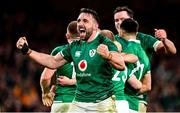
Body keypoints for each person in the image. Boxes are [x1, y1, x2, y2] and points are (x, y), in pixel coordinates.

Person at [16, 8, 125, 113]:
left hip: (102, 102)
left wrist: (108, 56)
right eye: (78, 21)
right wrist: (28, 51)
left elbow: (121, 65)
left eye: (85, 21)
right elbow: (53, 61)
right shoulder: (74, 46)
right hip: (79, 102)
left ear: (96, 26)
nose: (80, 24)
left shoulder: (104, 42)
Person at [113, 6, 177, 112]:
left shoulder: (145, 39)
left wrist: (165, 40)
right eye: (116, 20)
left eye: (122, 19)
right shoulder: (112, 41)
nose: (119, 22)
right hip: (116, 97)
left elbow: (172, 51)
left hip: (137, 99)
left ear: (131, 21)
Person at [40, 21, 79, 113]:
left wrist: (45, 93)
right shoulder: (89, 51)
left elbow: (45, 78)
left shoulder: (59, 51)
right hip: (82, 103)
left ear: (67, 36)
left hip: (62, 101)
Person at [119, 18, 152, 113]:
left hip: (122, 102)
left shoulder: (126, 51)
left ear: (122, 31)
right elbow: (148, 86)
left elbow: (122, 74)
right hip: (135, 105)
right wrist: (133, 92)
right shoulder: (145, 55)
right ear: (136, 32)